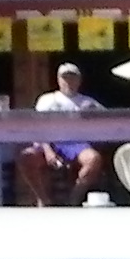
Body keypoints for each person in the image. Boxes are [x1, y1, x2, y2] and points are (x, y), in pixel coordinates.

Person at [13, 65, 110, 205]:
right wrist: (48, 150)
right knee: (26, 157)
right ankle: (43, 200)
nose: (69, 81)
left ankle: (73, 200)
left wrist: (92, 120)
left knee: (93, 159)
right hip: (50, 142)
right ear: (58, 80)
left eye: (73, 77)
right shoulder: (47, 99)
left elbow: (109, 119)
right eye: (65, 78)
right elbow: (38, 127)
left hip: (77, 144)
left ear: (79, 80)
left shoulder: (88, 102)